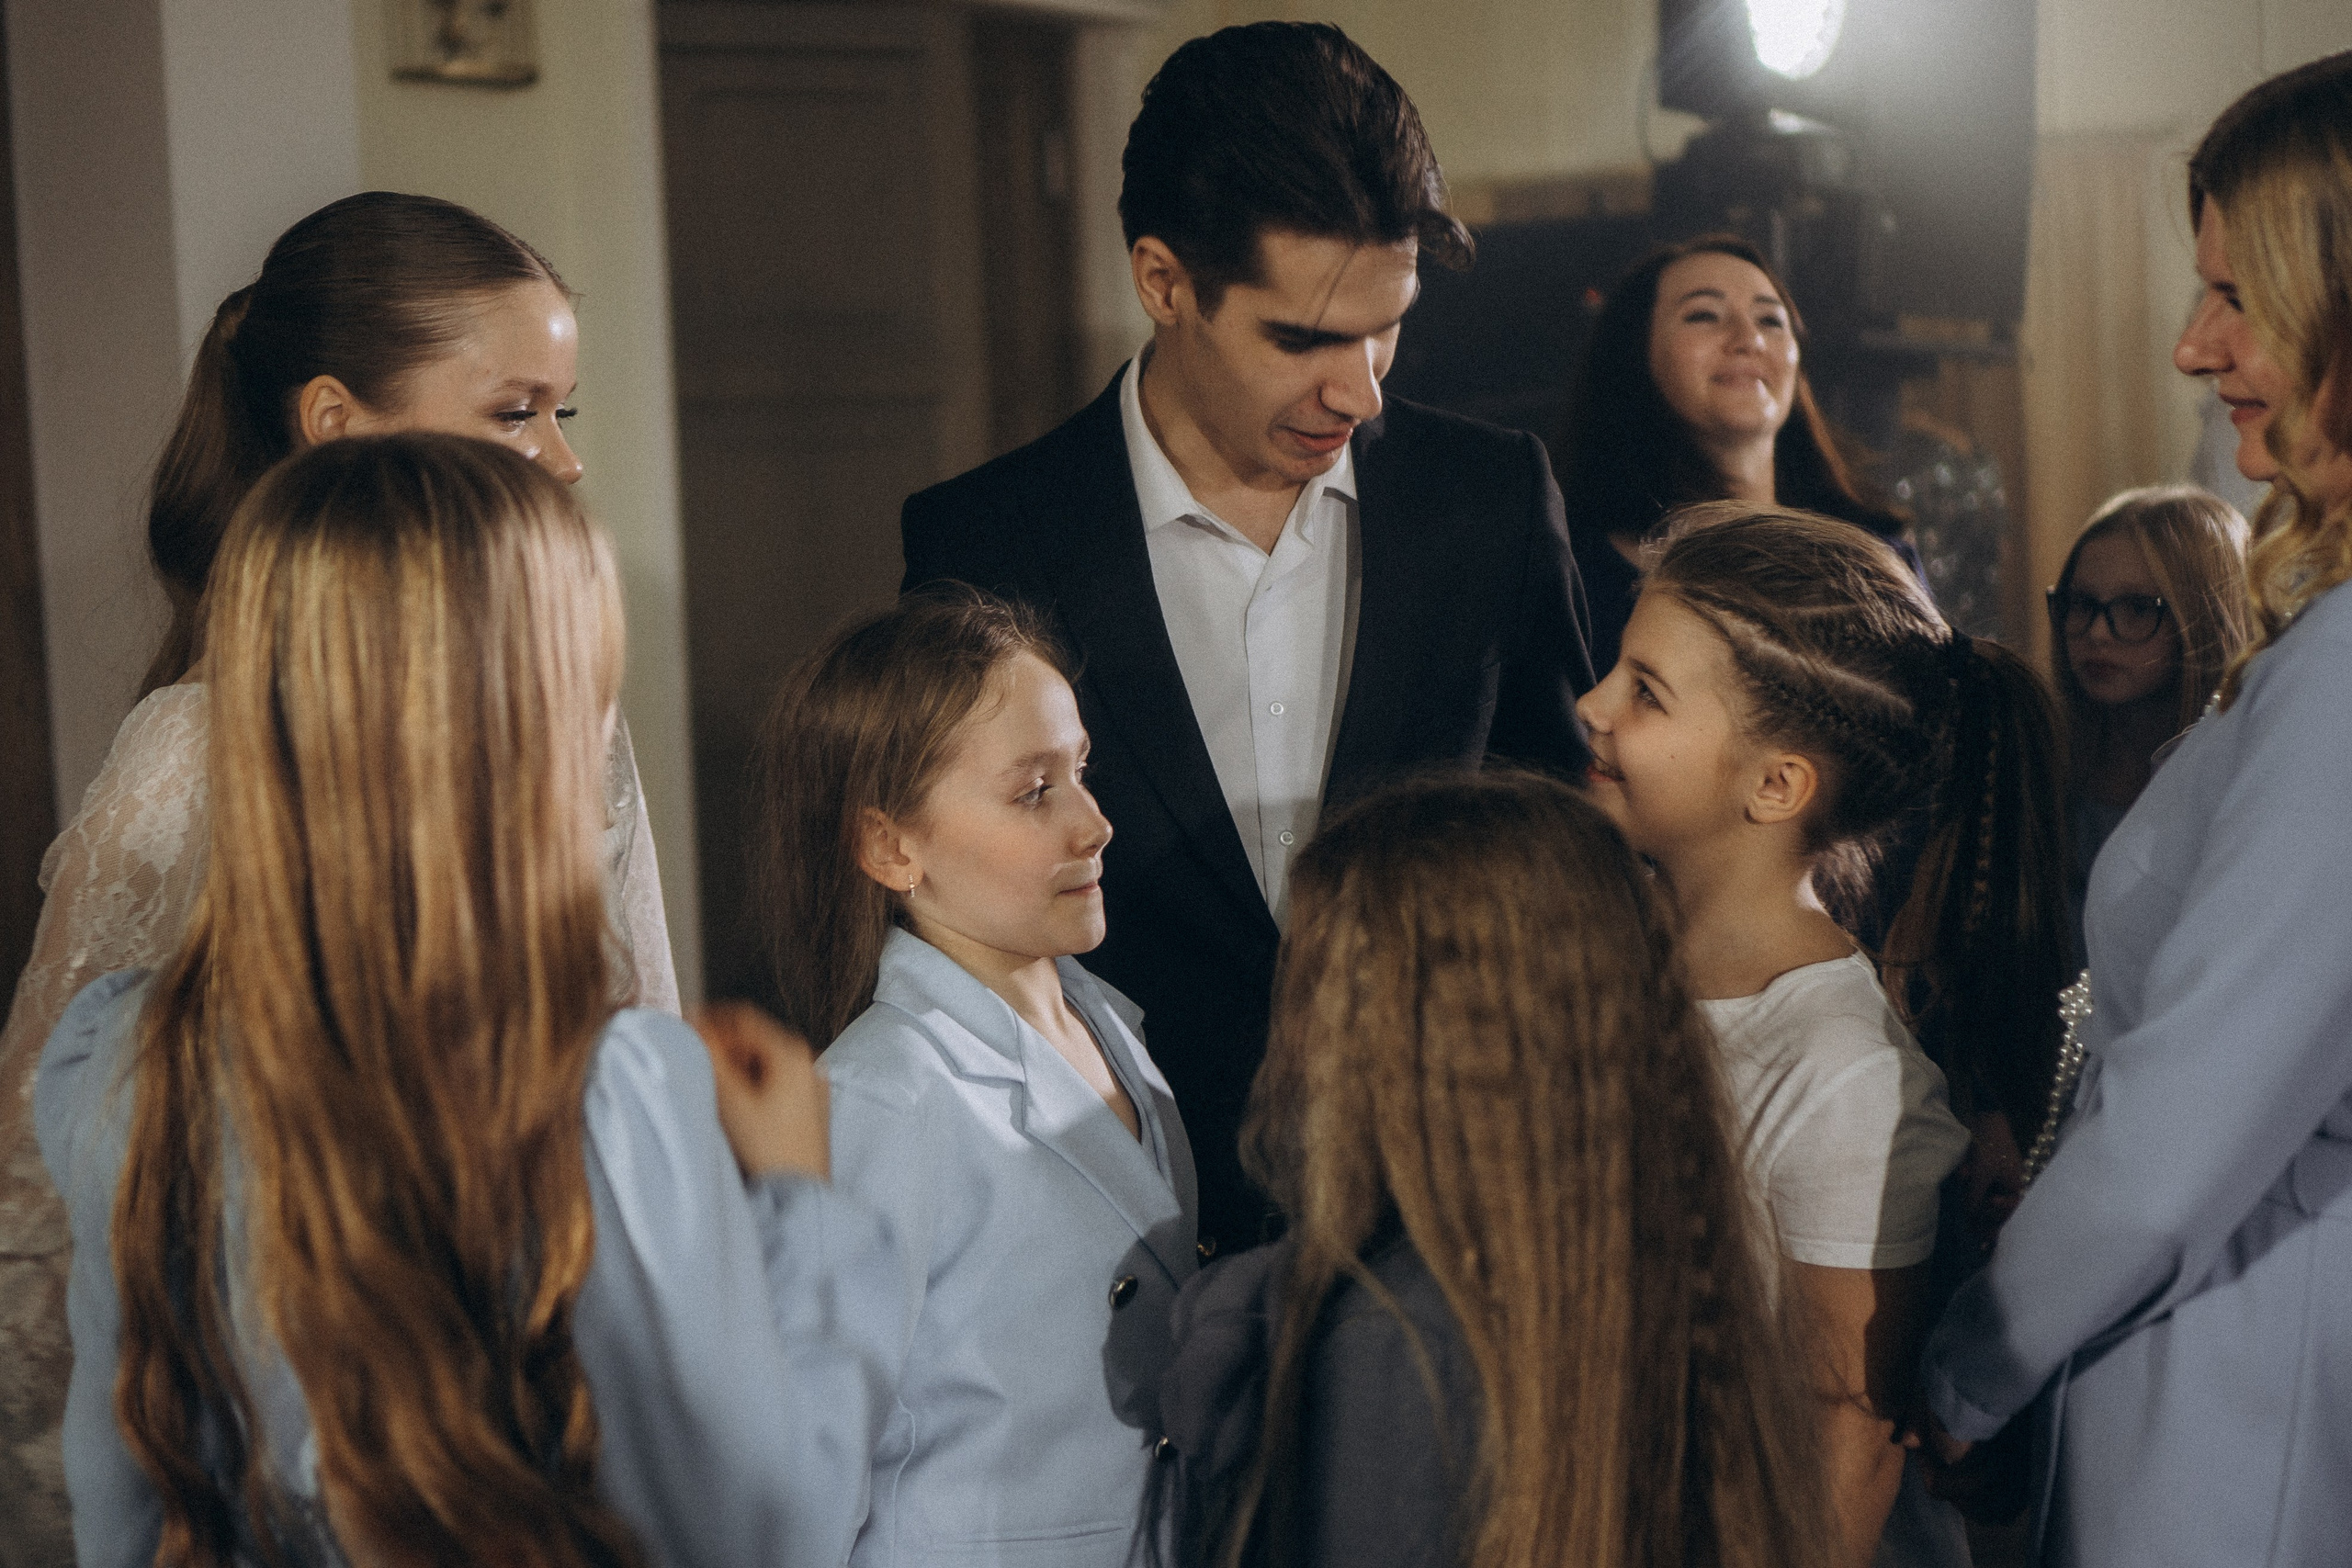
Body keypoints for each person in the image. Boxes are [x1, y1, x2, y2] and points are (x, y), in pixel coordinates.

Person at [36, 434, 895, 1568]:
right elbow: (761, 1525)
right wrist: (800, 1199)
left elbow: (123, 1500)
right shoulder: (607, 1095)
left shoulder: (127, 1063)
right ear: (526, 733)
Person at [0, 189, 683, 1559]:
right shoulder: (185, 763)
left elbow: (639, 1025)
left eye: (568, 414)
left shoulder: (575, 722)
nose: (557, 461)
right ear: (335, 423)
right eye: (512, 411)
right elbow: (44, 1211)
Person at [899, 22, 1591, 1255]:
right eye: (1304, 339)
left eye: (1386, 329)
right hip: (1121, 1229)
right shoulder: (987, 539)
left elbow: (1569, 839)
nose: (1361, 391)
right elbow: (952, 927)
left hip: (1460, 1219)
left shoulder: (1485, 500)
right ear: (1164, 282)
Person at [1922, 51, 2352, 1566]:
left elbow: (2175, 1150)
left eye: (2240, 296)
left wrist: (1969, 1361)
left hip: (2248, 1402)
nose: (2191, 344)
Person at [1157, 770, 1829, 1568]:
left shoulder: (1393, 1337)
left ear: (1414, 1031)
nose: (1289, 1032)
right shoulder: (1661, 1264)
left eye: (1313, 987)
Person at [1575, 504, 2072, 1567]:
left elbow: (1846, 1435)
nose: (1590, 705)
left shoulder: (1840, 1068)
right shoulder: (1608, 962)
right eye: (1616, 669)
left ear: (1776, 784)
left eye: (1645, 691)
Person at [751, 588, 1197, 1568]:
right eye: (1033, 791)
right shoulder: (878, 1099)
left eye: (1080, 771)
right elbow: (800, 1488)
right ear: (890, 846)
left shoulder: (1113, 1026)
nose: (1095, 824)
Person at [1557, 234, 1921, 680]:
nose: (1748, 339)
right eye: (1704, 315)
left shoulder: (1879, 556)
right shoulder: (1573, 579)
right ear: (1635, 356)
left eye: (1770, 320)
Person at [2045, 486, 2248, 944]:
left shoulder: (2237, 780)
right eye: (2081, 604)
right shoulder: (2046, 768)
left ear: (2202, 618)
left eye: (2137, 608)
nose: (2097, 632)